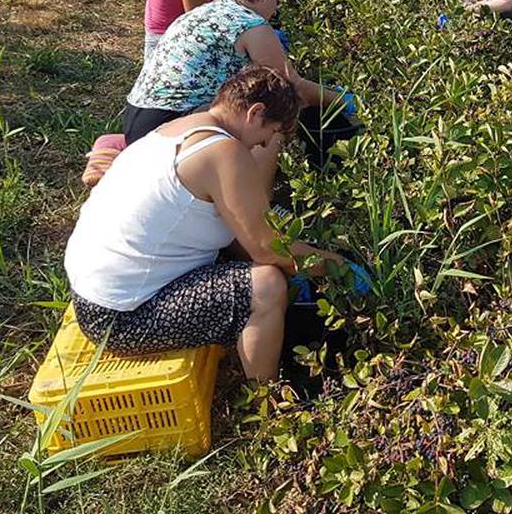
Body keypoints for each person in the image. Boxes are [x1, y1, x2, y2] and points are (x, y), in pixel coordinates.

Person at [66, 66, 346, 382]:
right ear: (255, 114)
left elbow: (242, 234)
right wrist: (339, 267)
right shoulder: (224, 151)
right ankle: (270, 398)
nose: (267, 145)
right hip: (121, 320)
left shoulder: (179, 128)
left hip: (91, 300)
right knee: (266, 286)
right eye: (272, 132)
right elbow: (267, 249)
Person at [126, 0, 348, 145]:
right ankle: (255, 189)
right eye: (277, 2)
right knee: (272, 116)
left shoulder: (205, 11)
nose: (275, 11)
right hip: (173, 124)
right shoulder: (252, 25)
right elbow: (293, 86)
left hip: (136, 121)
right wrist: (345, 100)